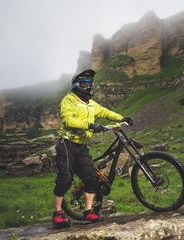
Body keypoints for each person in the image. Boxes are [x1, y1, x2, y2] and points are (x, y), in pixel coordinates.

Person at [52, 69, 133, 227]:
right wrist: (90, 126)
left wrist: (121, 118)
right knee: (65, 178)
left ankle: (88, 212)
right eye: (84, 83)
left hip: (82, 147)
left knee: (92, 178)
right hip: (67, 143)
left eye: (90, 84)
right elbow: (68, 120)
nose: (89, 87)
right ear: (76, 85)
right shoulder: (69, 100)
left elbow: (105, 112)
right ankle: (57, 215)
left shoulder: (92, 104)